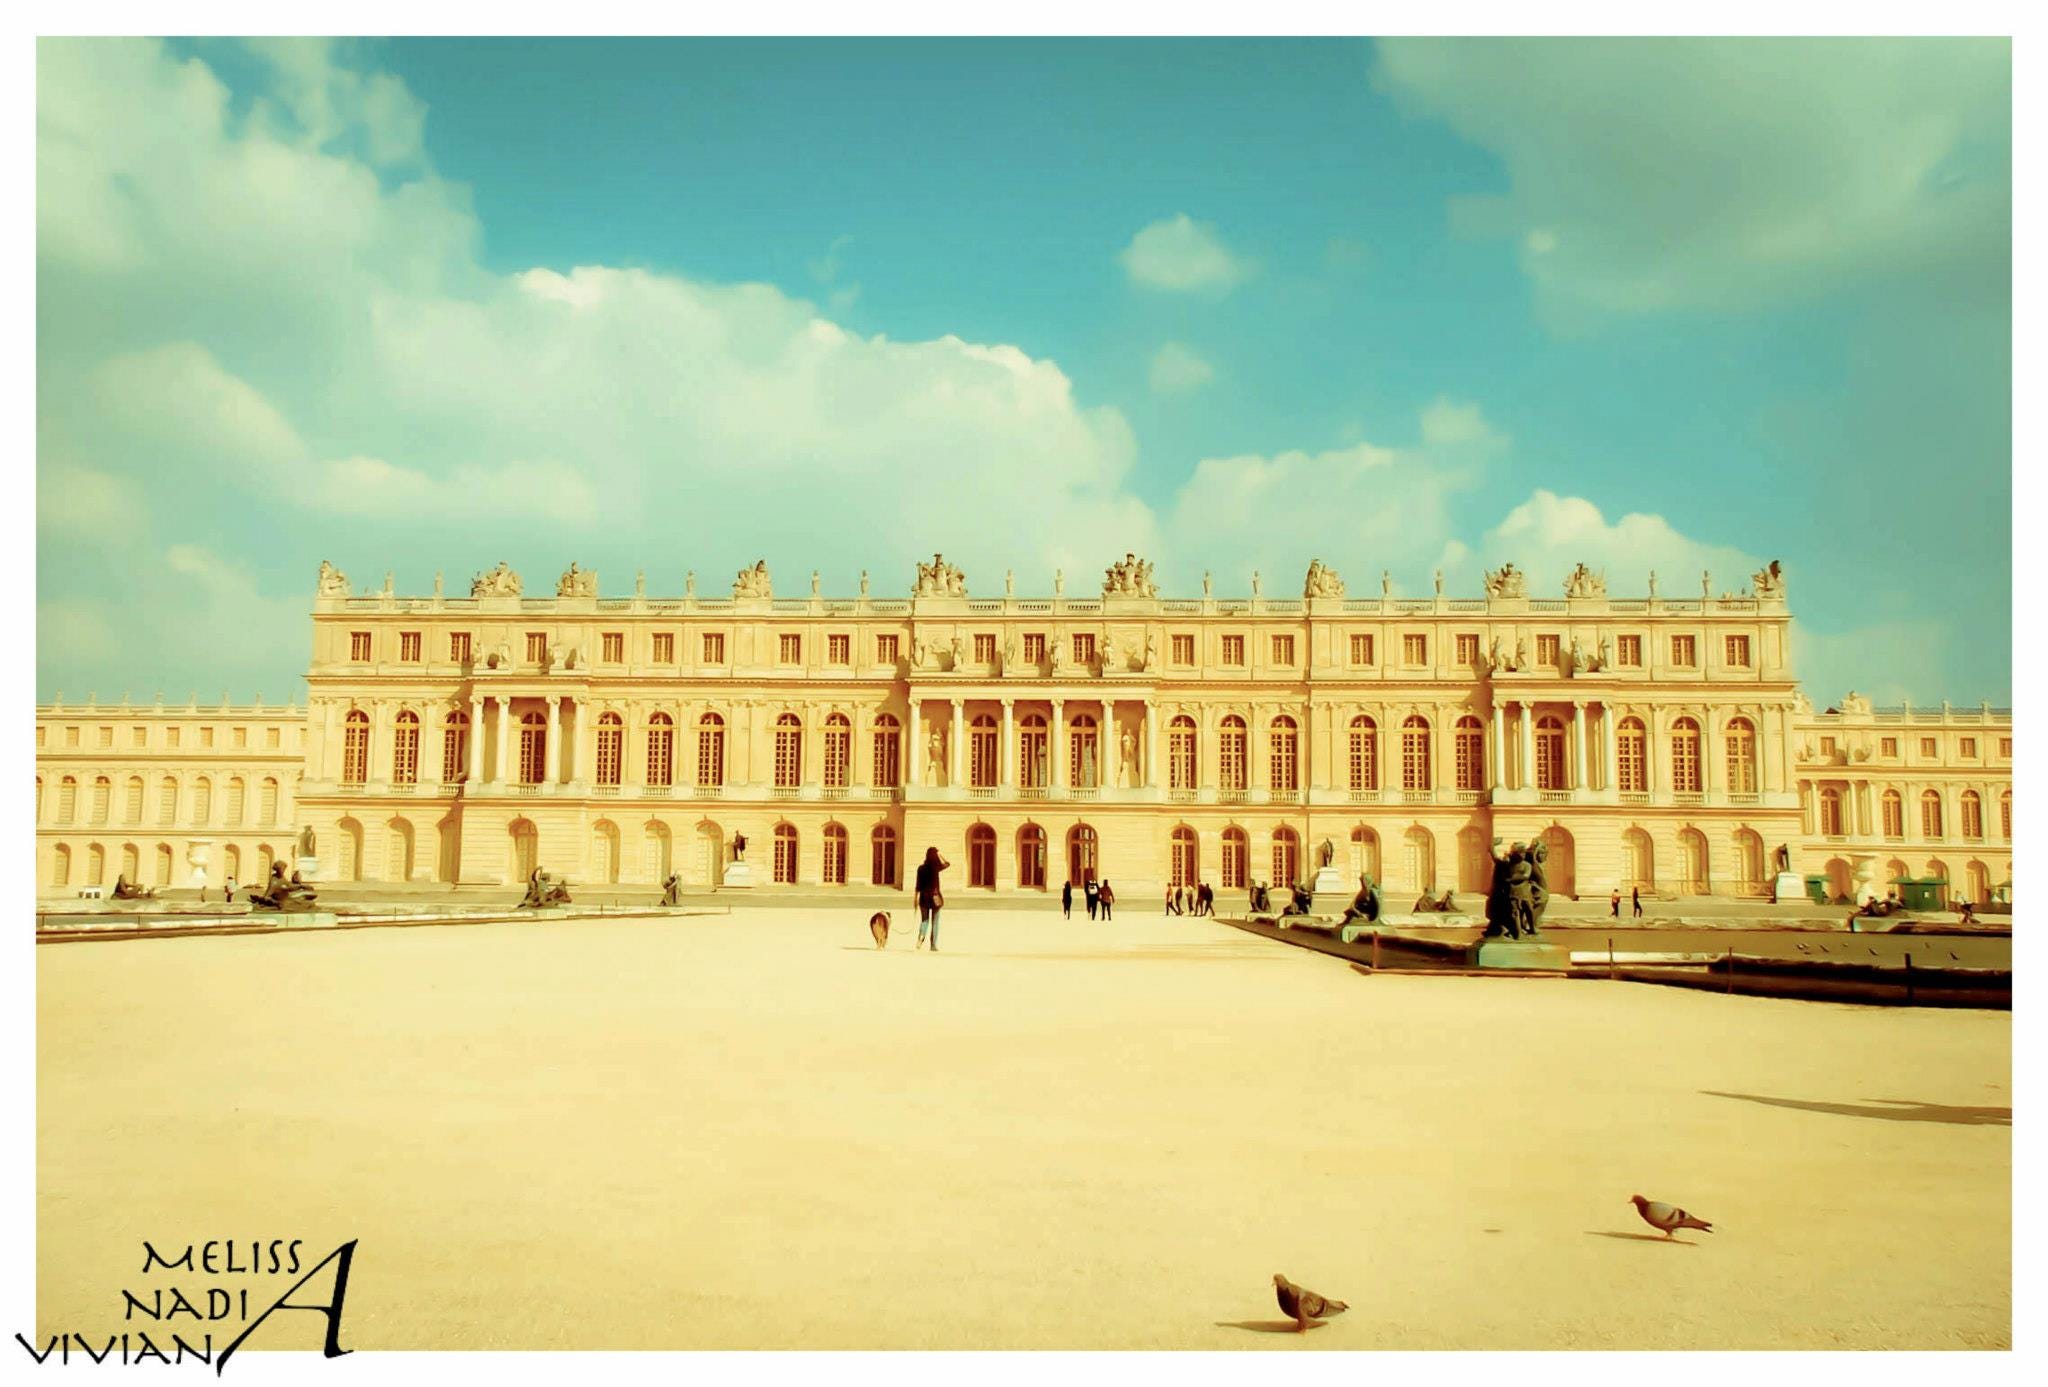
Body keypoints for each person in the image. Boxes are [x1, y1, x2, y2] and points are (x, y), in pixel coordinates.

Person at [914, 847, 948, 951]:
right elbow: (947, 863)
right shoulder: (936, 868)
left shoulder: (921, 868)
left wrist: (915, 899)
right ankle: (933, 945)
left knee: (924, 920)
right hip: (935, 897)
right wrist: (940, 854)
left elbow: (918, 885)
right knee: (935, 922)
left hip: (923, 897)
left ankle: (920, 939)